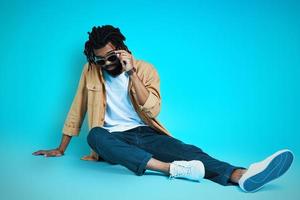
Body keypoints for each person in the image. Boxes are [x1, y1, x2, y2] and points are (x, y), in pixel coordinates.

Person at [33, 25, 294, 192]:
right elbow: (77, 107)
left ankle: (243, 176)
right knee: (95, 134)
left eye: (110, 57)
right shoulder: (90, 71)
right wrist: (61, 148)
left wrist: (131, 73)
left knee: (187, 150)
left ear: (122, 50)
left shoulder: (145, 69)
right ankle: (171, 169)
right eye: (100, 60)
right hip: (111, 140)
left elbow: (153, 110)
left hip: (143, 133)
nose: (104, 64)